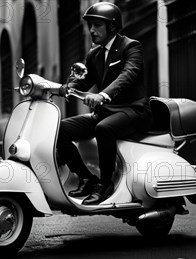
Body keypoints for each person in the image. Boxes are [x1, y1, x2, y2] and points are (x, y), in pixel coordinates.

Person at [57, 2, 152, 205]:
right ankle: (86, 178)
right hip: (107, 112)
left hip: (133, 111)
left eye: (96, 25)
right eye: (89, 25)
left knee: (103, 129)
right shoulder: (95, 54)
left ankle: (105, 183)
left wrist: (103, 95)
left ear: (112, 26)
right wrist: (64, 87)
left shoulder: (131, 47)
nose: (91, 30)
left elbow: (128, 74)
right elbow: (84, 79)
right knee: (61, 129)